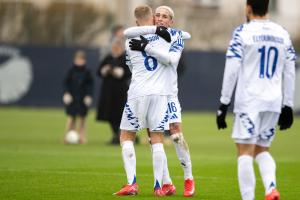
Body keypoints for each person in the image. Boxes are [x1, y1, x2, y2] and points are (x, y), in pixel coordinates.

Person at [216, 0, 296, 200]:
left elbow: (232, 68)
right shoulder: (282, 33)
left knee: (245, 151)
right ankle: (270, 188)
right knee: (262, 149)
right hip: (273, 102)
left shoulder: (242, 32)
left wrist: (224, 103)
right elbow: (290, 70)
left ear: (248, 8)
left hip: (250, 101)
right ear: (268, 8)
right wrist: (288, 104)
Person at [123, 5, 195, 197]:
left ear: (171, 21)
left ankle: (188, 178)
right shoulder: (148, 35)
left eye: (165, 16)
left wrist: (147, 47)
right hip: (153, 92)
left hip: (169, 94)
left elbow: (172, 60)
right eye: (158, 15)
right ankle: (167, 182)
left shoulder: (174, 37)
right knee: (153, 137)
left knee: (176, 134)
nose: (161, 19)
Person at [96, 38, 131, 145]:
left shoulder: (125, 58)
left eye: (117, 47)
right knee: (109, 114)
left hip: (120, 91)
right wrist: (105, 70)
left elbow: (129, 72)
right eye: (114, 47)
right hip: (108, 90)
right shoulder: (108, 58)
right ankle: (116, 134)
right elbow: (99, 71)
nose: (115, 49)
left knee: (121, 115)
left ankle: (122, 135)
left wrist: (120, 73)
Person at [63, 50, 94, 144]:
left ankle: (82, 137)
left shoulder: (87, 72)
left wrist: (89, 96)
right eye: (77, 59)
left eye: (81, 60)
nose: (79, 61)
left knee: (82, 119)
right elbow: (66, 83)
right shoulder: (71, 71)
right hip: (72, 98)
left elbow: (90, 85)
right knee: (71, 118)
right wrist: (66, 93)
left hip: (82, 99)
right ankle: (66, 137)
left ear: (84, 60)